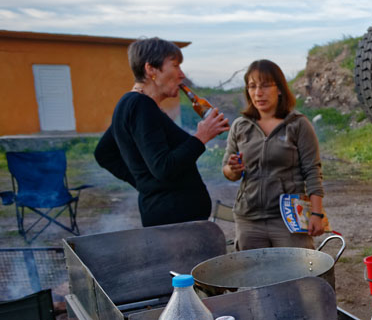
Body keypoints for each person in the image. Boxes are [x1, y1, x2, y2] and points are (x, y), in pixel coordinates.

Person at [95, 37, 228, 227]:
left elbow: (103, 154)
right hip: (174, 224)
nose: (182, 74)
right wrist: (201, 137)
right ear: (151, 70)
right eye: (175, 66)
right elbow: (164, 167)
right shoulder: (141, 105)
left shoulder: (129, 104)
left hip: (167, 217)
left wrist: (147, 184)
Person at [221, 60, 325, 249]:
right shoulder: (240, 126)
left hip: (289, 219)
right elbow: (228, 171)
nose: (258, 93)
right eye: (252, 86)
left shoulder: (298, 124)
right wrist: (232, 168)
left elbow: (312, 171)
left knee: (296, 274)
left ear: (279, 89)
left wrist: (317, 214)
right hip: (249, 218)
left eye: (265, 85)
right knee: (253, 275)